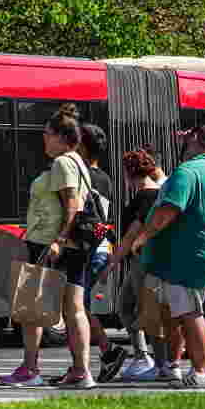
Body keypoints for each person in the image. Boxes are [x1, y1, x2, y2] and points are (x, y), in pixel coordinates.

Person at [0, 105, 94, 389]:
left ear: (61, 137)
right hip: (72, 245)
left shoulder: (63, 162)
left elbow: (72, 205)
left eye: (46, 134)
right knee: (74, 309)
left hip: (49, 244)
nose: (44, 139)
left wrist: (58, 239)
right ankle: (81, 372)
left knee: (31, 310)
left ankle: (30, 370)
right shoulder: (79, 162)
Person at [131, 125, 205, 390]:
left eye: (187, 141)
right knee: (184, 313)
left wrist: (143, 238)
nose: (182, 146)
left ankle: (200, 373)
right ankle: (178, 366)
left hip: (187, 257)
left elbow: (168, 210)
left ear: (195, 141)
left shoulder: (188, 171)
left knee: (190, 312)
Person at [98, 146, 168, 381]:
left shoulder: (146, 196)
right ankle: (146, 357)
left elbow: (130, 237)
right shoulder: (157, 193)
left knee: (143, 311)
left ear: (129, 173)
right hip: (147, 260)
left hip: (144, 262)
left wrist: (111, 265)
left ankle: (157, 363)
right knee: (129, 307)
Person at [74, 122, 129, 384]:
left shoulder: (81, 175)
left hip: (90, 249)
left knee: (76, 308)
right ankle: (87, 361)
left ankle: (106, 351)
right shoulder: (104, 178)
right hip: (103, 247)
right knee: (77, 307)